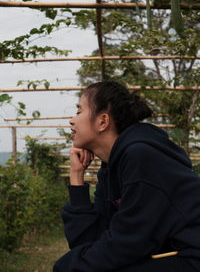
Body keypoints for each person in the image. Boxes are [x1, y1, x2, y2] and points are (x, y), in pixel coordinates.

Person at [53, 81, 200, 271]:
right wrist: (76, 176)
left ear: (103, 121)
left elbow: (130, 243)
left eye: (79, 111)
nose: (72, 120)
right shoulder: (110, 169)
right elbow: (90, 241)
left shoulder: (141, 157)